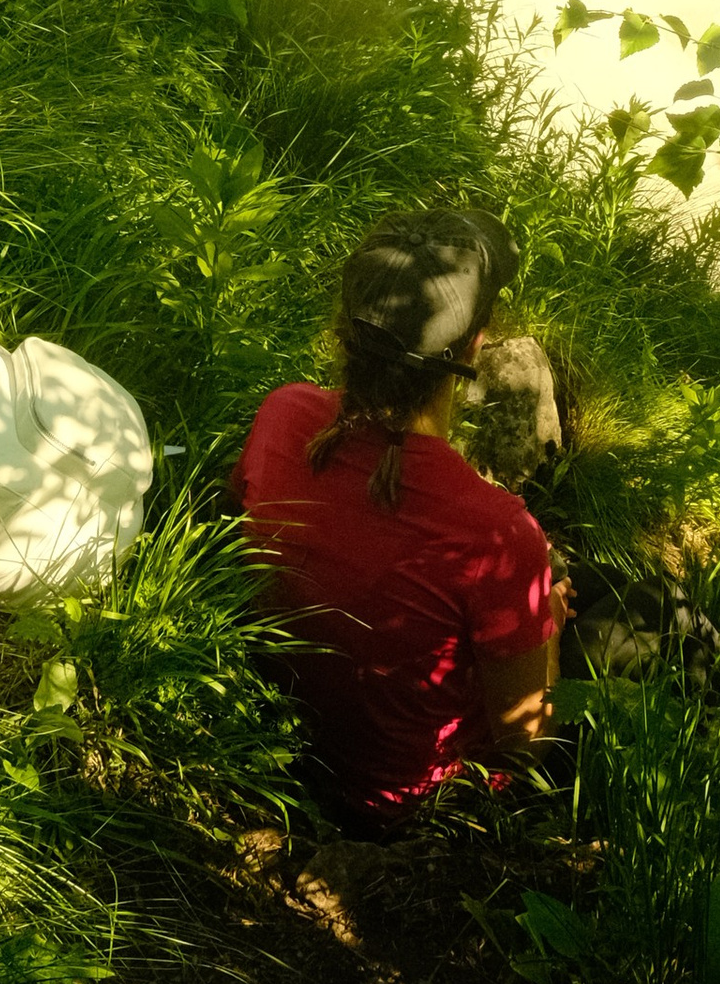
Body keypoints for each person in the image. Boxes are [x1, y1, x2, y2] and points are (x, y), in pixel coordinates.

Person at [236, 207, 562, 831]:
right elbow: (528, 745)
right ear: (476, 345)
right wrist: (550, 635)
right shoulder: (499, 534)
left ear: (345, 327)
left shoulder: (283, 413)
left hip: (274, 746)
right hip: (407, 811)